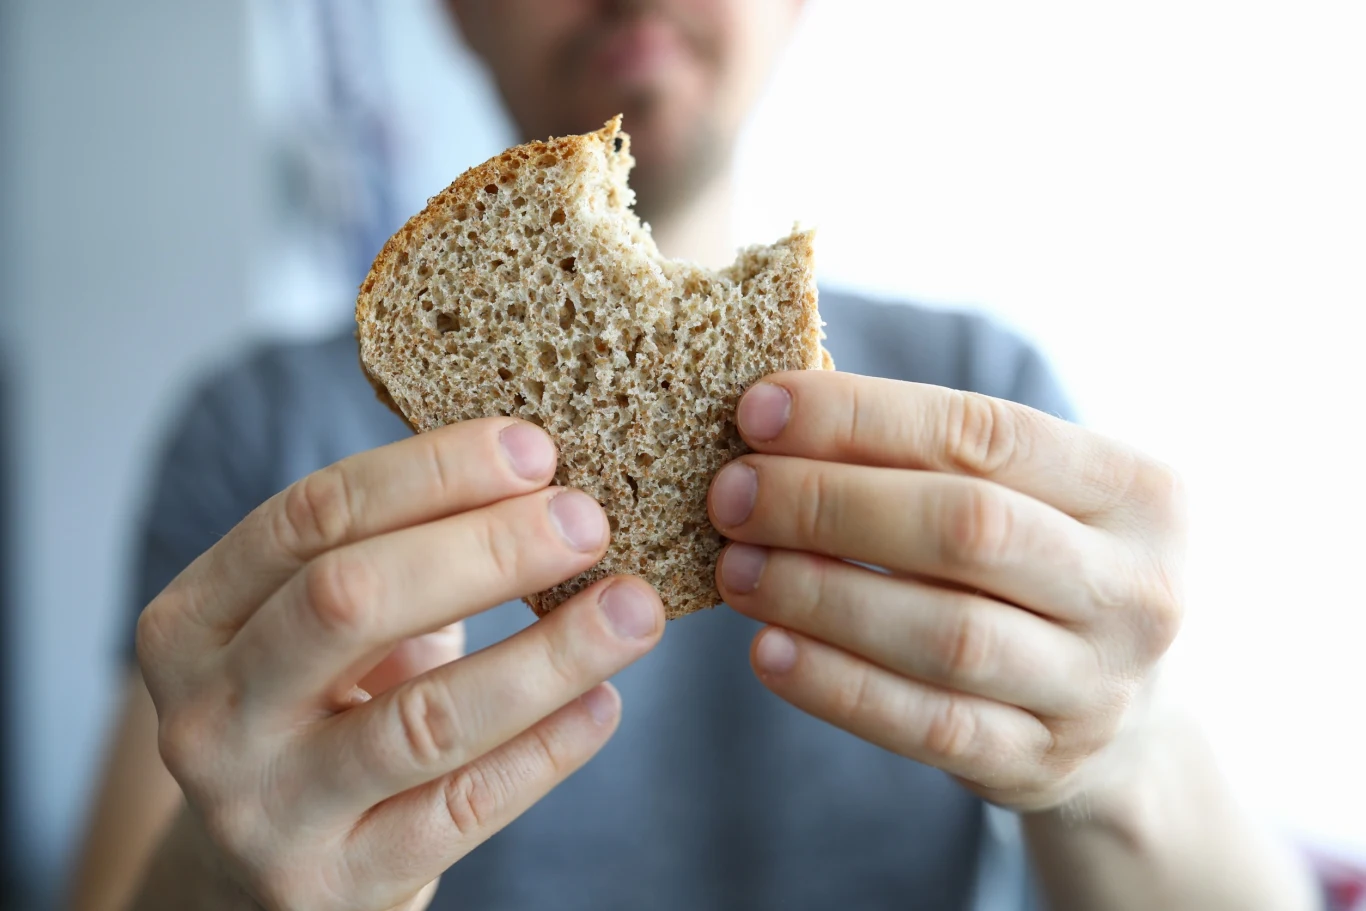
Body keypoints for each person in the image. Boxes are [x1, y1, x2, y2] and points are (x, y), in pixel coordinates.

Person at [71, 2, 1323, 910]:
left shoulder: (981, 400)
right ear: (455, 14)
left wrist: (1126, 757)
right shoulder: (262, 434)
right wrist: (232, 886)